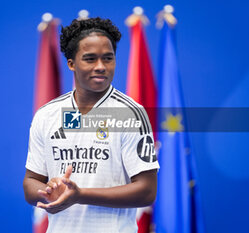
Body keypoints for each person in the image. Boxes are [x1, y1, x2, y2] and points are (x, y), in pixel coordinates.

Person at [23, 17, 159, 233]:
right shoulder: (46, 115)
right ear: (71, 63)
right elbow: (31, 182)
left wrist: (80, 195)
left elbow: (147, 191)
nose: (101, 67)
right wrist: (49, 190)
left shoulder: (131, 114)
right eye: (90, 59)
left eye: (108, 58)